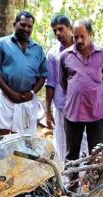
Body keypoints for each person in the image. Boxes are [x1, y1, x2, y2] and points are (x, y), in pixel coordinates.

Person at [60, 19, 103, 169]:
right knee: (71, 155)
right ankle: (70, 188)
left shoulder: (102, 54)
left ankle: (94, 188)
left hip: (96, 112)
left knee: (97, 154)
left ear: (91, 34)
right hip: (73, 113)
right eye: (76, 37)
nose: (79, 40)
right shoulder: (65, 56)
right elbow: (64, 83)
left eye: (83, 36)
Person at [0, 11, 48, 135]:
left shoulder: (38, 49)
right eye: (23, 25)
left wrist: (32, 93)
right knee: (1, 137)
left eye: (29, 26)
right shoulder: (2, 44)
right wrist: (10, 93)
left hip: (27, 100)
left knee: (25, 141)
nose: (26, 29)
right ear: (15, 24)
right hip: (6, 98)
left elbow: (43, 76)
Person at [45, 14, 76, 162]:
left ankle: (83, 180)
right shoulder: (53, 54)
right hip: (63, 106)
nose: (58, 33)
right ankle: (63, 181)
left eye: (61, 29)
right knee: (62, 144)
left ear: (70, 29)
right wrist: (48, 111)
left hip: (83, 106)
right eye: (55, 31)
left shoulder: (83, 48)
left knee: (82, 143)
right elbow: (50, 83)